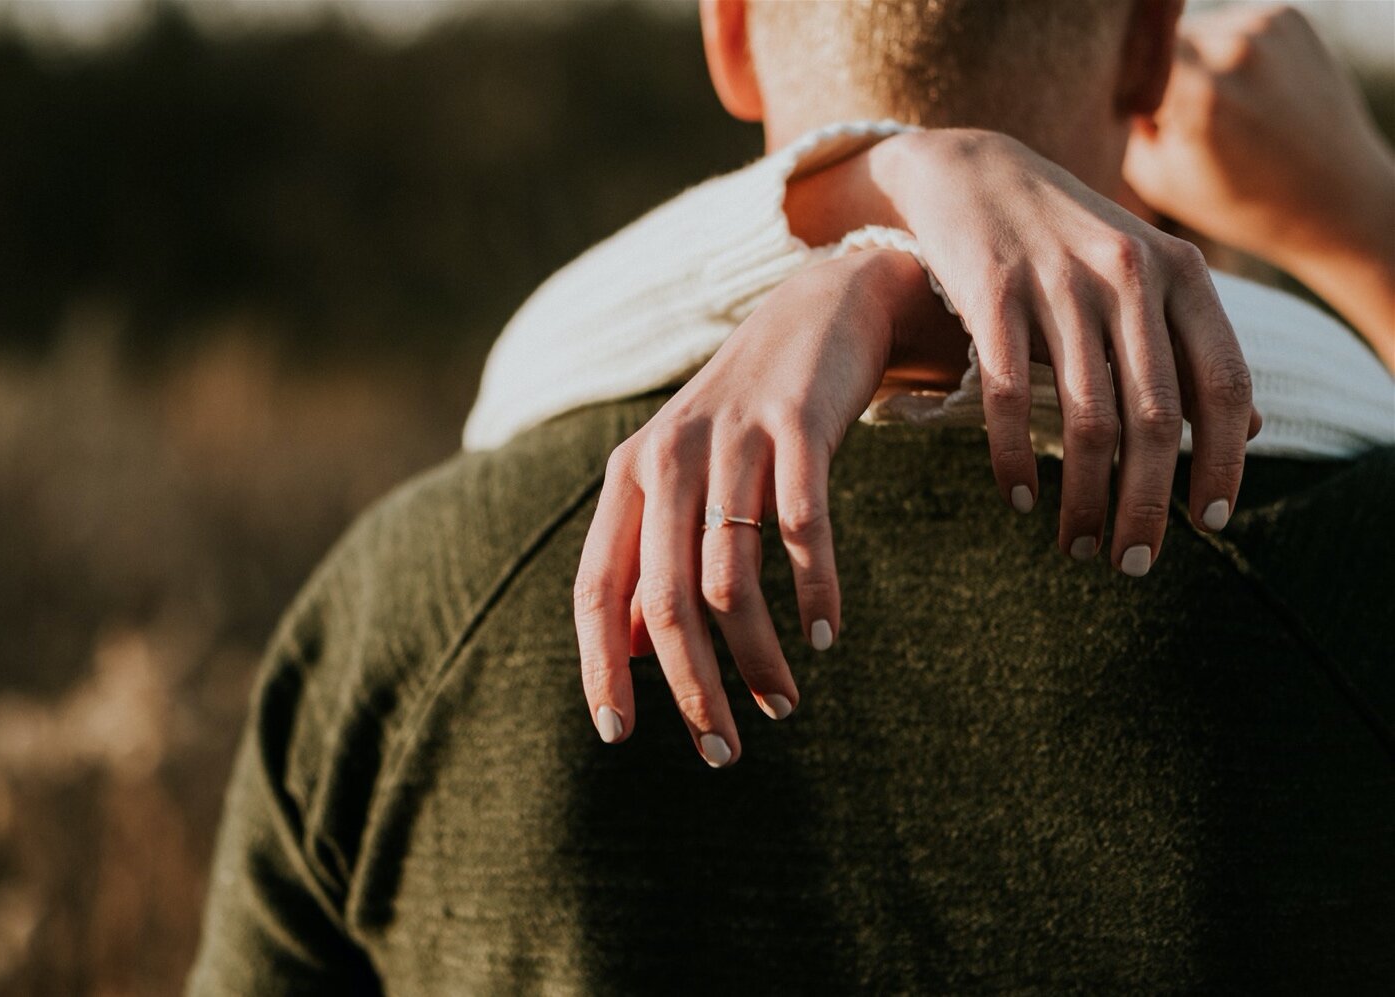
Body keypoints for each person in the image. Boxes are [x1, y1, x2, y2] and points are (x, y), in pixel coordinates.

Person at [189, 2, 1395, 993]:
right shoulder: (1355, 565)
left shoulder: (404, 601)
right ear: (1147, 44)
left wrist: (875, 249)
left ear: (725, 32)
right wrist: (1361, 212)